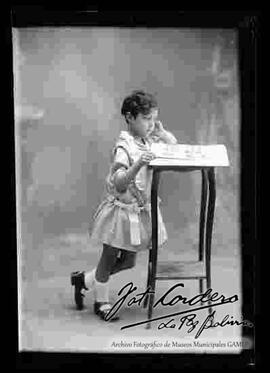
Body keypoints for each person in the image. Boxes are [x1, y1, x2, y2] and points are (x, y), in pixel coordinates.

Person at [71, 90, 177, 321]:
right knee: (108, 258)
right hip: (121, 212)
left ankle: (84, 280)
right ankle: (102, 302)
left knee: (128, 261)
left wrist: (162, 133)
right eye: (146, 119)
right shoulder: (124, 146)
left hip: (139, 212)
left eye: (153, 119)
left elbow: (173, 147)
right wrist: (138, 163)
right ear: (130, 117)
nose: (150, 125)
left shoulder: (147, 139)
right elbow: (119, 183)